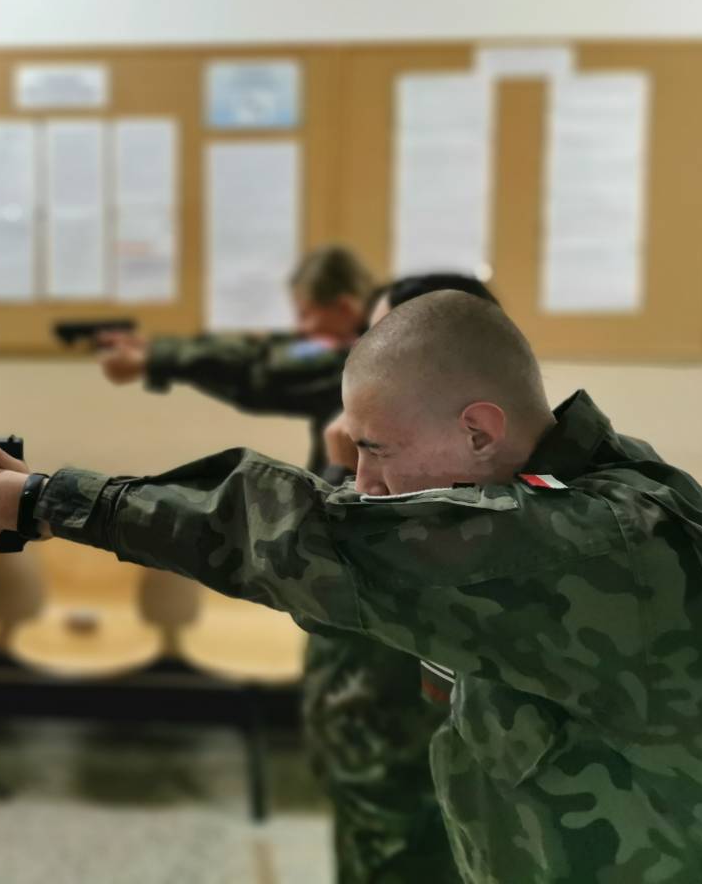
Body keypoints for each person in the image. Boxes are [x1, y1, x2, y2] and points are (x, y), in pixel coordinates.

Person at [0, 292, 702, 883]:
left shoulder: (591, 539)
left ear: (479, 431)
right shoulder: (598, 478)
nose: (361, 483)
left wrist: (40, 500)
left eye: (375, 450)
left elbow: (303, 535)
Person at [98, 265, 496, 884]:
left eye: (319, 315)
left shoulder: (465, 475)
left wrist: (352, 475)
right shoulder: (375, 389)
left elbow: (301, 550)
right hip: (380, 731)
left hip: (402, 742)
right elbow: (266, 364)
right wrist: (160, 357)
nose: (313, 333)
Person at [93, 244, 372, 473]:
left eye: (306, 314)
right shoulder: (365, 338)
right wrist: (155, 348)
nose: (301, 327)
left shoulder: (362, 359)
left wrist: (156, 358)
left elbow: (262, 372)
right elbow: (266, 352)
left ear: (345, 308)